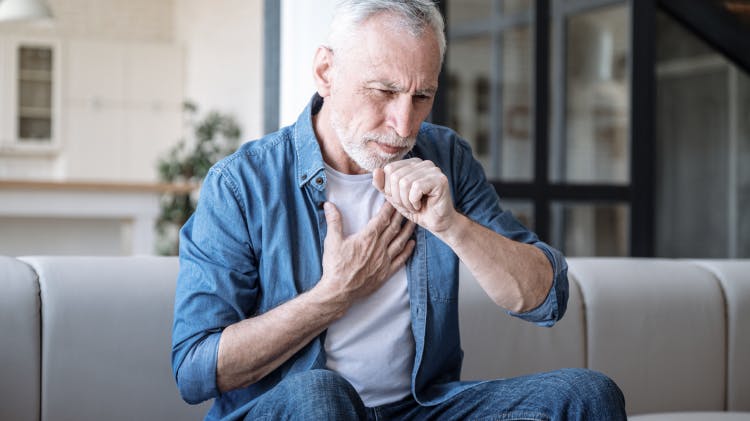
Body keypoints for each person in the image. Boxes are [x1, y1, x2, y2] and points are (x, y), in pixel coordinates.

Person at [171, 0, 626, 419]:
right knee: (321, 395)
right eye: (384, 91)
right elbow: (194, 370)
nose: (404, 124)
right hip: (298, 410)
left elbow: (546, 300)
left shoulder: (445, 158)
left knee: (588, 396)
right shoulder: (241, 184)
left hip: (417, 409)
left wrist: (453, 226)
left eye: (422, 96)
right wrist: (333, 295)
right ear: (326, 72)